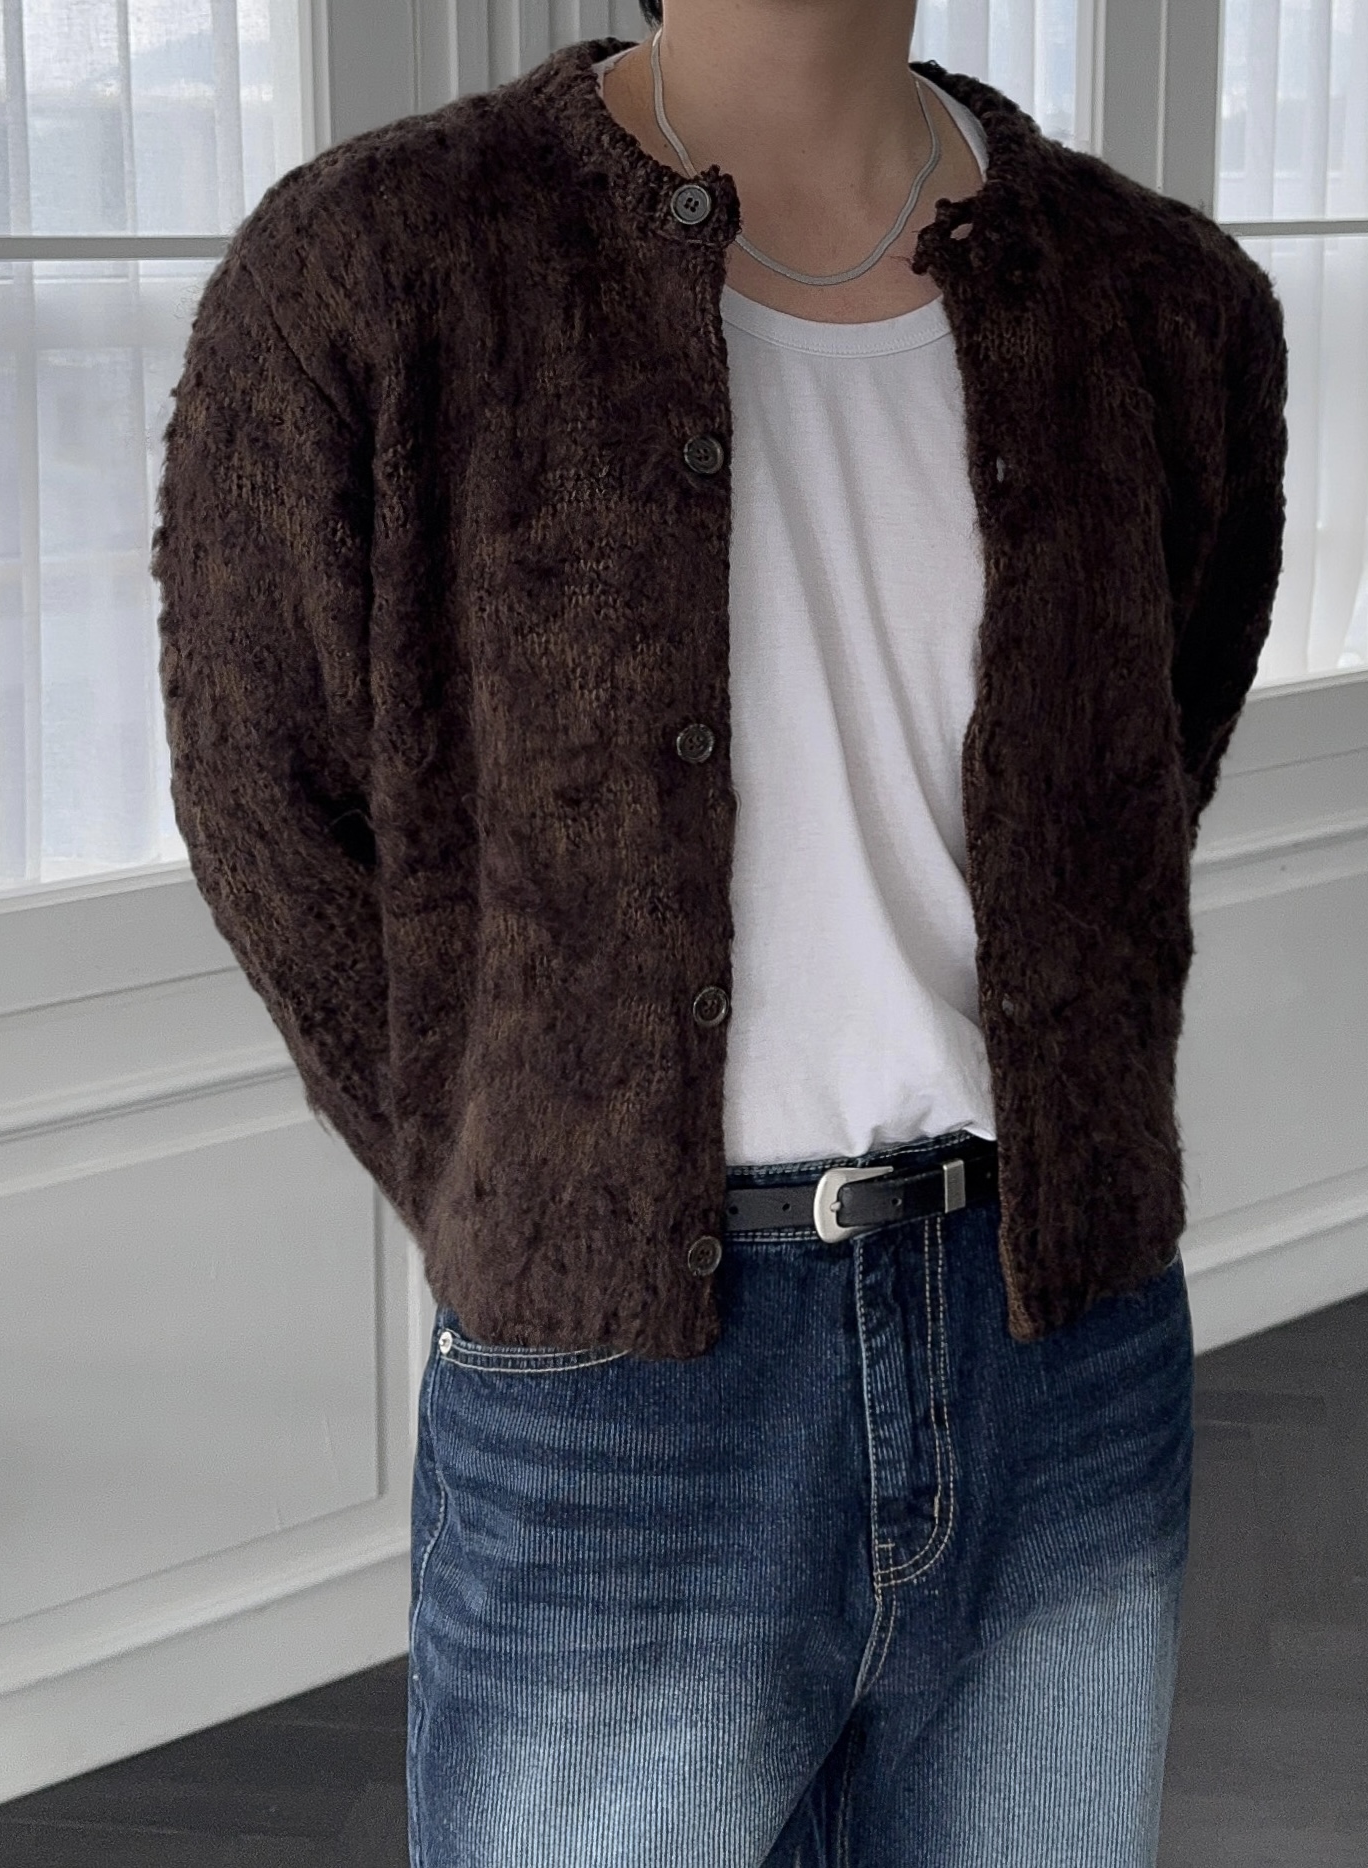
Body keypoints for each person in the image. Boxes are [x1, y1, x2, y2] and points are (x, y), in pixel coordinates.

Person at [152, 0, 1288, 1860]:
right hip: (623, 1392)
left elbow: (1156, 752)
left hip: (1064, 1347)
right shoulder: (383, 267)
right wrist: (520, 1179)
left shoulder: (1162, 301)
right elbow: (265, 805)